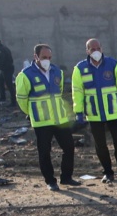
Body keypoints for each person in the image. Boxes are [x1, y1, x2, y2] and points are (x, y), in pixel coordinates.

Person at [15, 43, 78, 191]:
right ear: (36, 57)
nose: (47, 60)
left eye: (49, 57)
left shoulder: (57, 72)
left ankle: (66, 178)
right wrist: (31, 113)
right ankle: (50, 181)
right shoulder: (25, 75)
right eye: (44, 57)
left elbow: (60, 91)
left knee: (69, 147)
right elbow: (21, 99)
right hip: (42, 121)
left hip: (60, 119)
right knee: (44, 152)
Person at [71, 38, 117, 183]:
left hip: (113, 111)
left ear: (102, 48)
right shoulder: (80, 68)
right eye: (92, 49)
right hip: (94, 114)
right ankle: (108, 172)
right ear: (87, 51)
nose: (96, 51)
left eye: (98, 48)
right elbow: (77, 91)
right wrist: (78, 111)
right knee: (100, 145)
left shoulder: (113, 65)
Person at [0, 37, 15, 103]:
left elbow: (1, 61)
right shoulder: (1, 48)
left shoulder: (1, 50)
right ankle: (2, 97)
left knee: (9, 85)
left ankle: (13, 101)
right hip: (6, 68)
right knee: (0, 81)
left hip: (7, 69)